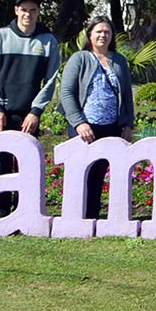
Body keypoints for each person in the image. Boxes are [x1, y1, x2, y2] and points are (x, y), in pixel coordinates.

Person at [0, 0, 63, 219]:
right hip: (2, 113)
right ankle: (2, 212)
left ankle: (24, 212)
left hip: (29, 116)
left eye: (33, 10)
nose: (28, 14)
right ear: (16, 10)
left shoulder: (48, 41)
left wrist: (36, 111)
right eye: (24, 9)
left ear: (38, 12)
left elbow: (50, 81)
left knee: (27, 165)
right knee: (1, 164)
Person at [59, 16, 136, 220]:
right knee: (81, 172)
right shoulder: (80, 58)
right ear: (90, 35)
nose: (103, 35)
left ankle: (92, 216)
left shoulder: (119, 60)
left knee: (99, 173)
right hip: (84, 127)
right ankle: (76, 218)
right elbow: (66, 92)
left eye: (107, 32)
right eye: (99, 31)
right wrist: (79, 123)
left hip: (111, 127)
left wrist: (128, 124)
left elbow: (126, 94)